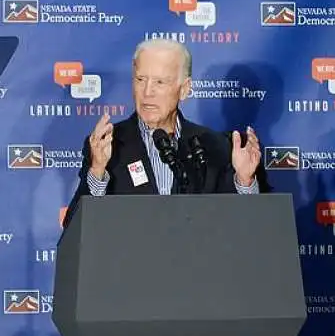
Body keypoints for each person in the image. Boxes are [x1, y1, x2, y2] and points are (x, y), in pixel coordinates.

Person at [63, 38, 261, 228]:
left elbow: (244, 231)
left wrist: (244, 181)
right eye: (140, 79)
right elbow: (74, 228)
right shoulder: (107, 146)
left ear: (184, 89)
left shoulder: (215, 146)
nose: (147, 92)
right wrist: (97, 172)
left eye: (160, 82)